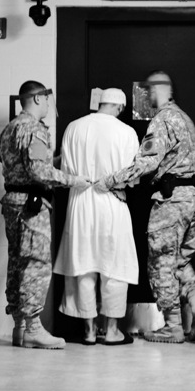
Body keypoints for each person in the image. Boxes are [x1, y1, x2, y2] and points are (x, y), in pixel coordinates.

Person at [95, 71, 195, 343]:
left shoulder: (162, 120)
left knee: (161, 263)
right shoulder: (185, 118)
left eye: (147, 92)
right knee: (179, 260)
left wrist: (110, 181)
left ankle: (172, 327)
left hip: (172, 202)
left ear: (158, 91)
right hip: (194, 199)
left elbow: (146, 163)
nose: (144, 98)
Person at [0, 80, 90, 350]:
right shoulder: (34, 129)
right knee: (35, 265)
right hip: (31, 205)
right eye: (48, 100)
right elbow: (38, 171)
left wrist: (52, 162)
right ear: (37, 99)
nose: (49, 106)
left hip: (13, 202)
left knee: (17, 263)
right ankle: (34, 329)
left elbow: (7, 158)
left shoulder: (10, 128)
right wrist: (73, 180)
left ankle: (19, 328)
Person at [54, 88, 139, 345]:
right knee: (115, 267)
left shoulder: (74, 128)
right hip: (113, 202)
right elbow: (133, 176)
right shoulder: (127, 132)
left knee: (84, 266)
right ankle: (112, 331)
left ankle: (89, 331)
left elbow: (66, 170)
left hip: (80, 202)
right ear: (120, 107)